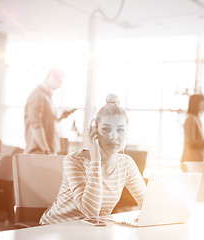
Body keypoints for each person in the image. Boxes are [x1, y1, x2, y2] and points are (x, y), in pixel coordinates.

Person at [40, 94, 147, 224]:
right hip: (55, 227)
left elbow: (147, 204)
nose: (114, 137)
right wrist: (95, 159)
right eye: (106, 129)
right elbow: (90, 212)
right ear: (94, 131)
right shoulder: (74, 161)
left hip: (91, 232)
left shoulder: (126, 164)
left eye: (120, 130)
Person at [24, 67, 76, 154]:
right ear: (51, 78)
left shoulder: (47, 97)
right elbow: (35, 125)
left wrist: (61, 117)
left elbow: (48, 122)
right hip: (39, 151)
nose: (60, 85)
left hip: (47, 151)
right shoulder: (37, 96)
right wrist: (45, 149)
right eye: (59, 81)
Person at [181, 94, 204, 162]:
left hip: (197, 159)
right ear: (197, 103)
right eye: (203, 102)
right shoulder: (190, 119)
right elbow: (190, 142)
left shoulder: (197, 118)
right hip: (191, 160)